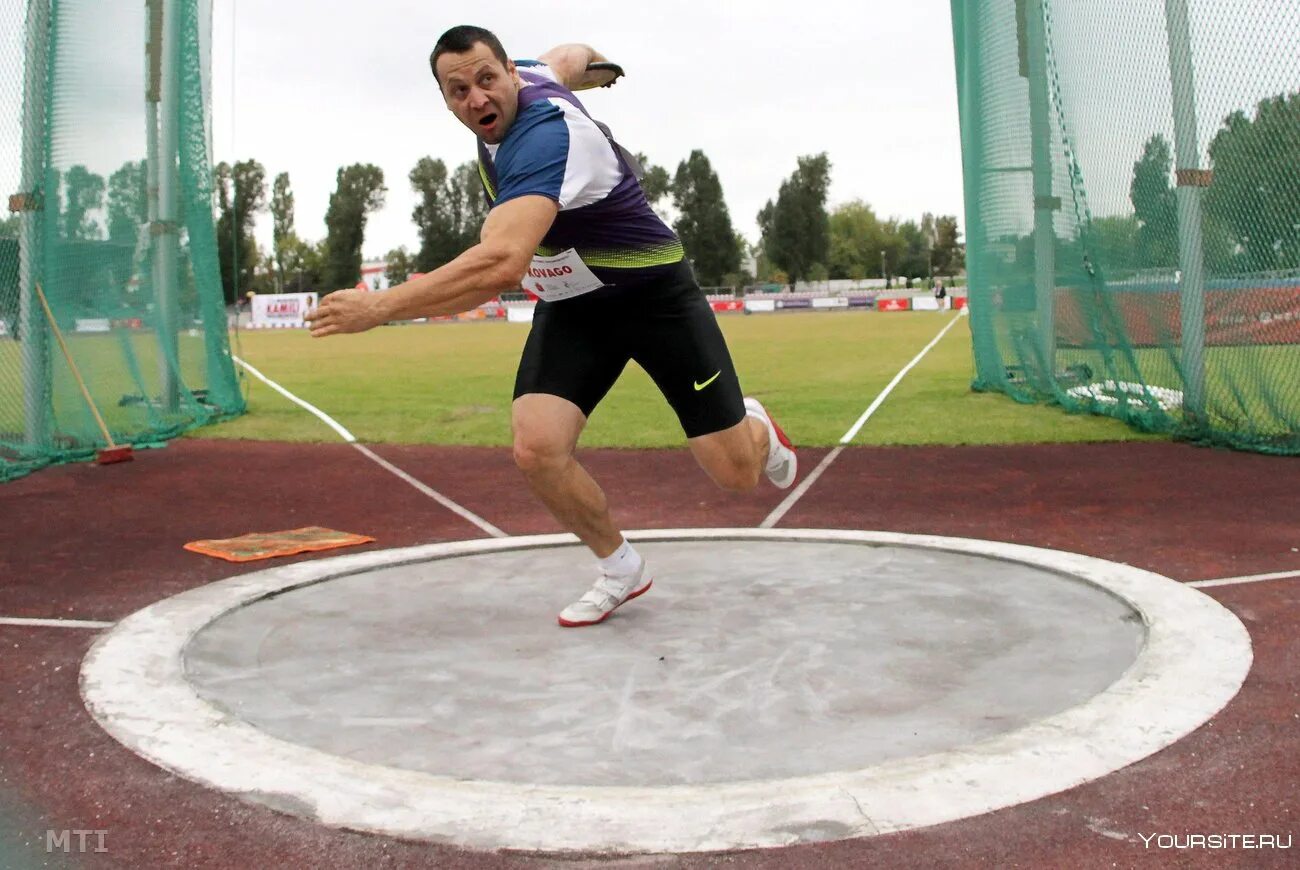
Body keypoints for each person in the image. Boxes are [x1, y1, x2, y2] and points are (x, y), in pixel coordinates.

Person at [305, 25, 796, 628]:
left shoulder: (546, 138)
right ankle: (621, 569)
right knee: (537, 447)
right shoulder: (533, 75)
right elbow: (569, 54)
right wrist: (598, 65)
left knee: (736, 475)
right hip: (577, 301)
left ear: (509, 71)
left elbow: (500, 264)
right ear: (445, 98)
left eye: (487, 80)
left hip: (654, 296)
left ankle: (755, 427)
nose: (477, 99)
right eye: (458, 90)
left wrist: (378, 307)